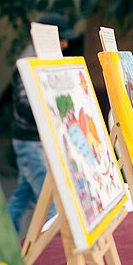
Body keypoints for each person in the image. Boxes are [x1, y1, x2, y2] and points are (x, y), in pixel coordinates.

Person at [6, 12, 79, 233]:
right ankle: (47, 255)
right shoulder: (27, 64)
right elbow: (24, 105)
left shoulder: (45, 61)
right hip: (31, 142)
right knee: (51, 205)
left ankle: (6, 245)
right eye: (61, 38)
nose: (65, 44)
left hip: (38, 141)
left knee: (23, 196)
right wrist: (57, 106)